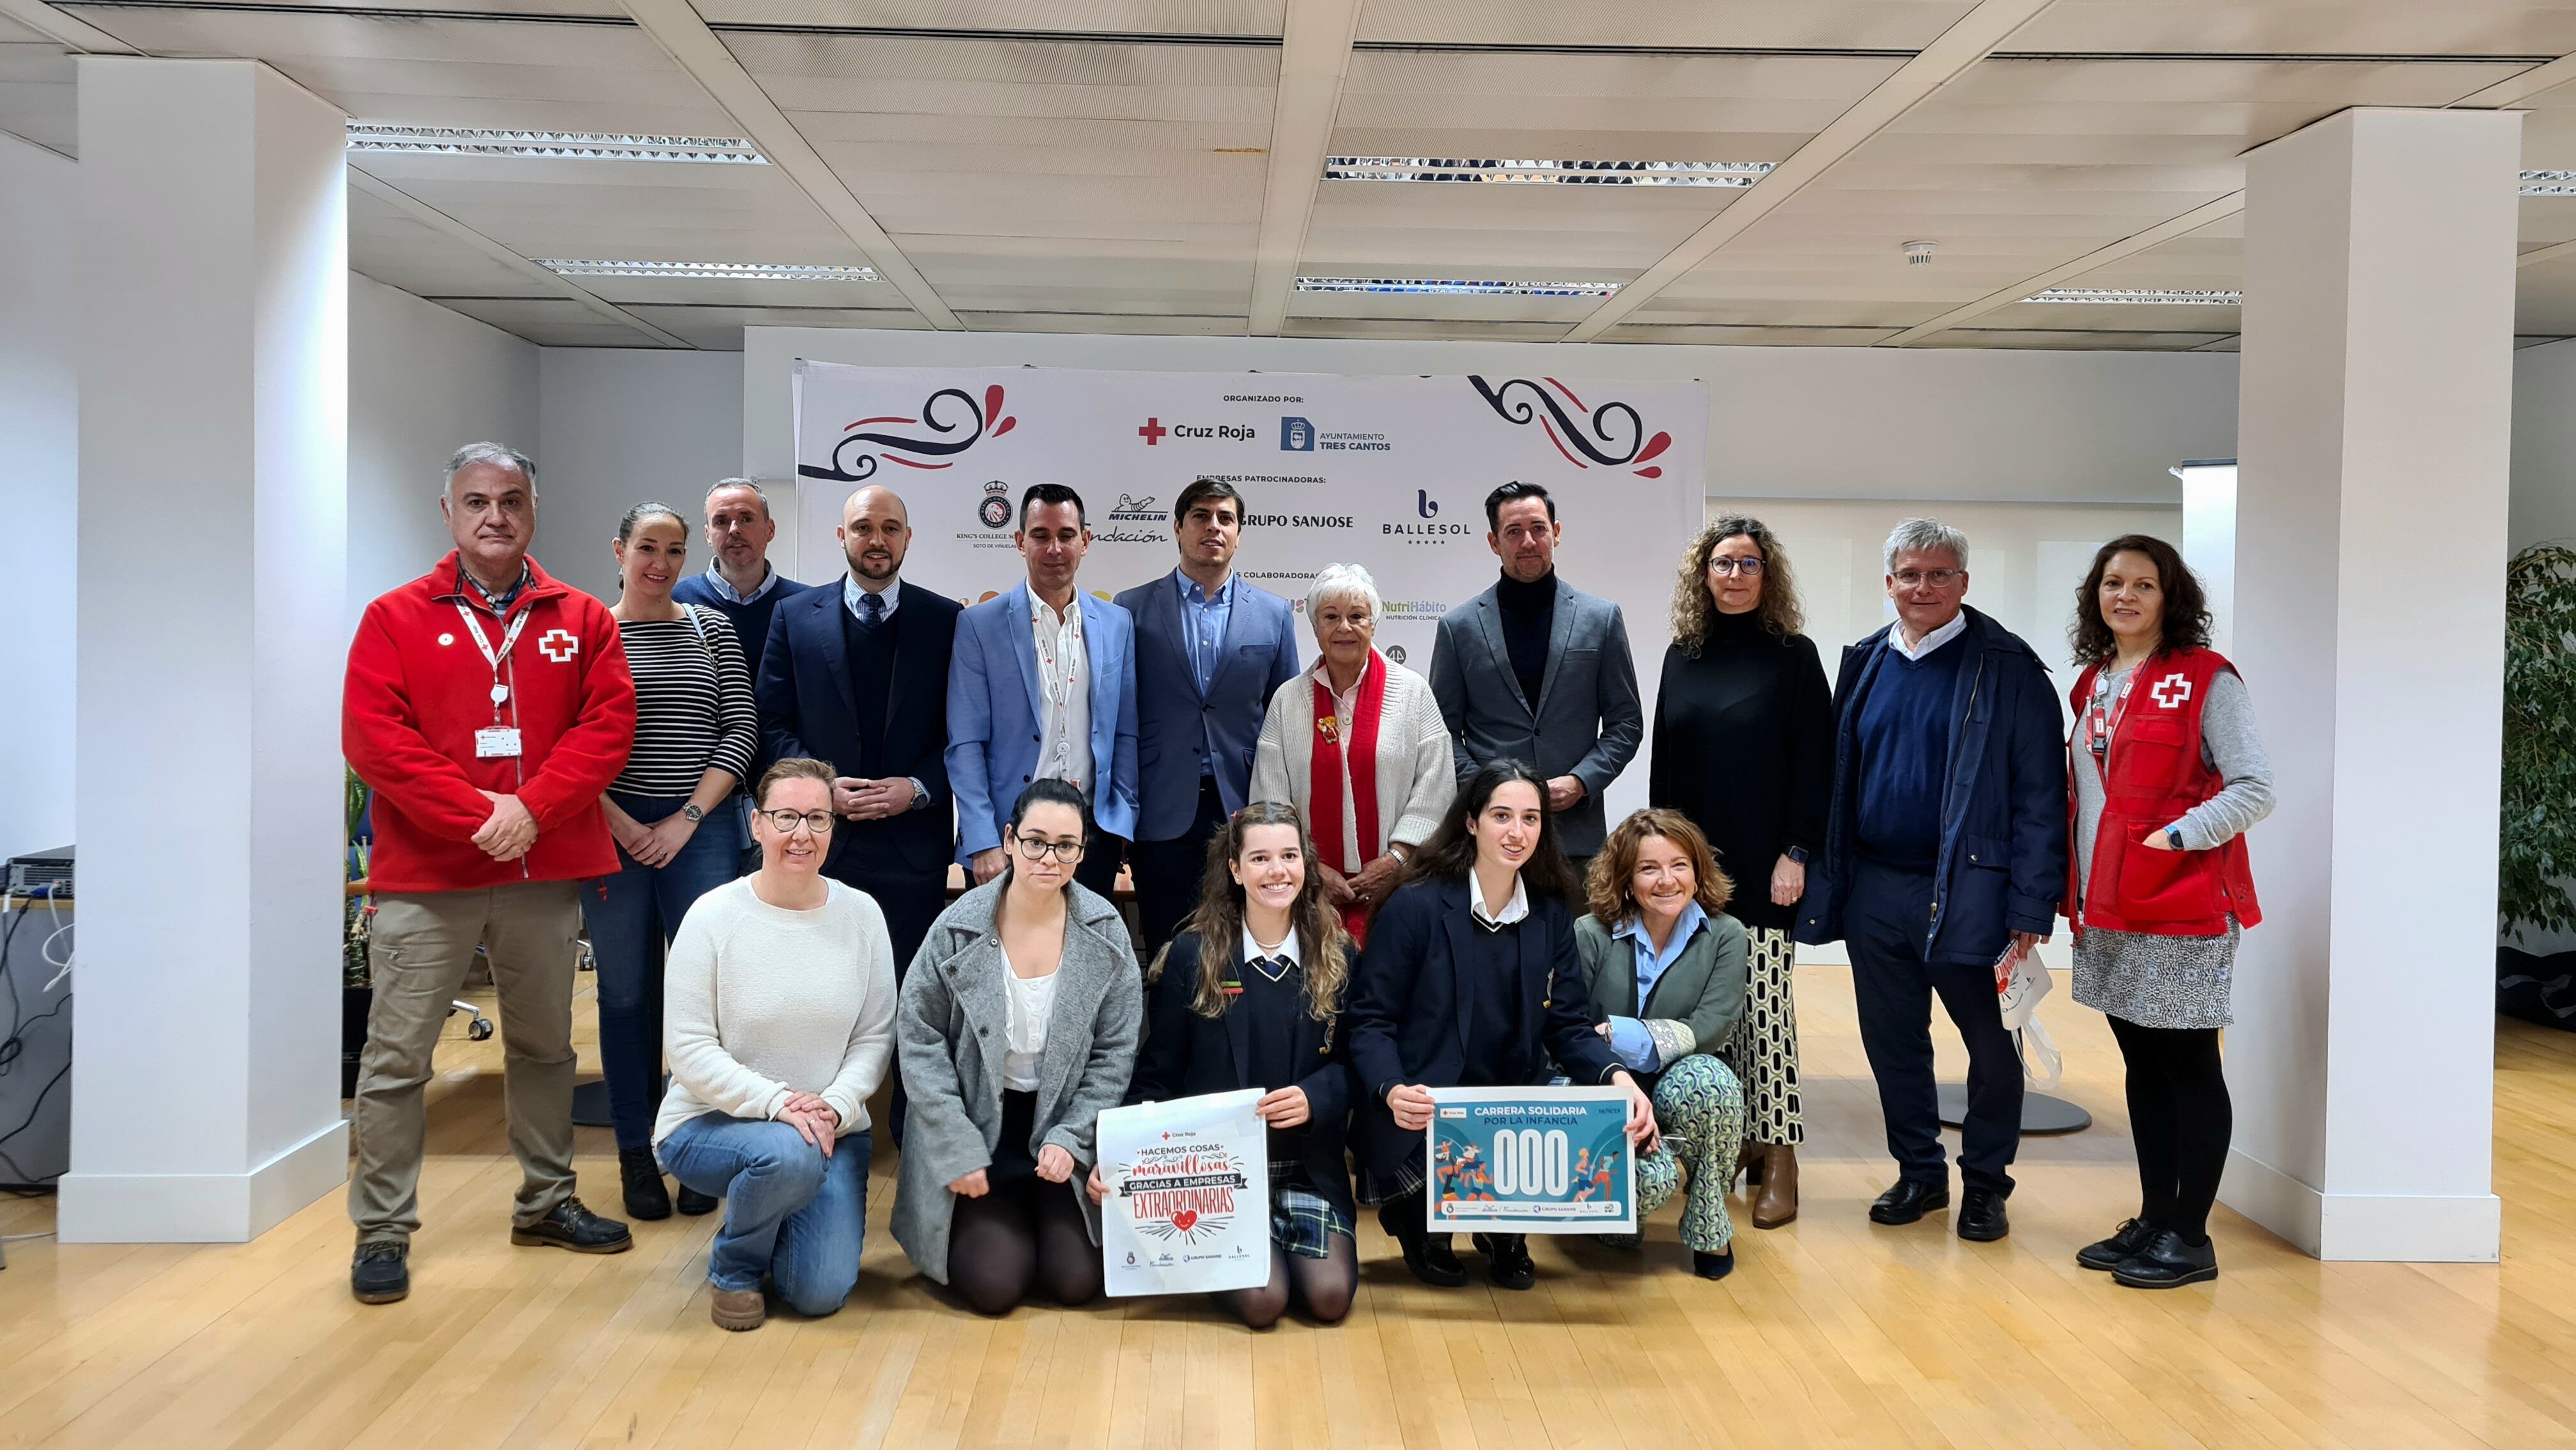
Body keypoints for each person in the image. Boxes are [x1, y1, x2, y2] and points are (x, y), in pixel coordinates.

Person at [341, 442, 638, 1306]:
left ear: (534, 510)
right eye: (477, 501)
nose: (495, 516)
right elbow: (375, 741)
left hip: (542, 874)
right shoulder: (394, 617)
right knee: (397, 1059)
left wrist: (533, 809)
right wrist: (485, 816)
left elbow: (606, 727)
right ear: (450, 513)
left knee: (544, 1046)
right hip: (428, 880)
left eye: (511, 500)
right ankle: (384, 1228)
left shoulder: (580, 617)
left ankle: (545, 1201)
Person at [1794, 518, 2068, 1244]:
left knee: (1990, 1043)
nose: (1923, 587)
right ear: (1889, 583)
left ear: (1964, 584)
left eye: (1939, 574)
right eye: (1909, 575)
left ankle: (1986, 1185)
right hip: (1876, 888)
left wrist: (2032, 901)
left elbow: (2042, 796)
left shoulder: (2009, 668)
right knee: (1893, 1042)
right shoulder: (1865, 660)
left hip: (1974, 889)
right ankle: (1919, 1173)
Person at [1346, 760, 1658, 1292]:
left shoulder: (1551, 911)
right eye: (1502, 816)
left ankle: (1502, 1223)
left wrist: (1619, 1079)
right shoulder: (1414, 904)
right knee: (1428, 1167)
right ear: (1471, 821)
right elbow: (1369, 1021)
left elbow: (1569, 1025)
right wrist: (1392, 1089)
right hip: (1424, 1101)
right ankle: (1414, 1215)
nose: (1518, 833)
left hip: (1506, 1101)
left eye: (1531, 818)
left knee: (1581, 1112)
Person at [2062, 534, 2272, 1290]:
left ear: (2170, 597)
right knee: (2142, 1065)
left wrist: (2173, 837)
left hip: (2182, 903)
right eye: (2113, 583)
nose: (2125, 596)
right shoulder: (2092, 683)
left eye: (2144, 585)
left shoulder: (2208, 679)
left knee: (2187, 1065)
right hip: (2108, 905)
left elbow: (2254, 786)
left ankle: (2192, 1235)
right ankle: (2154, 1217)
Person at [654, 758, 898, 1330]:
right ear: (756, 825)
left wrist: (835, 1106)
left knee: (818, 1293)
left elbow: (873, 1037)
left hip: (831, 1129)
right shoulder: (712, 916)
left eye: (817, 818)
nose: (802, 834)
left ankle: (767, 1204)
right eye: (786, 817)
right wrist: (780, 1104)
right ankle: (735, 1266)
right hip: (712, 1125)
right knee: (787, 1154)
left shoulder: (862, 915)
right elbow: (688, 1049)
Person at [893, 780, 1143, 1315]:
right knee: (995, 1286)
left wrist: (1074, 1137)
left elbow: (1116, 1053)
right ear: (1009, 839)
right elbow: (919, 1037)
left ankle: (1048, 1214)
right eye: (1035, 841)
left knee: (1076, 1282)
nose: (1049, 858)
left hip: (1060, 1134)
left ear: (1081, 851)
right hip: (981, 1129)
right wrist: (956, 1143)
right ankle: (1002, 1221)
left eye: (1066, 845)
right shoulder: (955, 928)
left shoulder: (1107, 931)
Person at [1646, 516, 1833, 1229]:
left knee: (1766, 1013)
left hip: (1764, 865)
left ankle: (1780, 1153)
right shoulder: (1680, 655)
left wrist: (1798, 851)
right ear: (1705, 573)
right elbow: (1666, 763)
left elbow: (1817, 762)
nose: (1734, 575)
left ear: (1767, 574)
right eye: (1722, 563)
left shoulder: (1794, 656)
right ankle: (1737, 1140)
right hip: (1691, 870)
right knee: (1711, 1016)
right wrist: (1659, 863)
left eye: (1748, 563)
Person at [1107, 802, 1359, 1328]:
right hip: (1214, 1174)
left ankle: (1279, 1247)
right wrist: (1117, 1156)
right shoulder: (1192, 955)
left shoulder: (1338, 953)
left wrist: (1317, 1096)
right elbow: (1160, 1072)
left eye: (1289, 855)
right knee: (1265, 1304)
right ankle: (1247, 1252)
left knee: (1329, 1297)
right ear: (1235, 868)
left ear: (1307, 865)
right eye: (1260, 857)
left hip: (1304, 1169)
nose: (1277, 871)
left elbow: (1356, 1063)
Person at [585, 501, 760, 1222]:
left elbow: (741, 728)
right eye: (647, 547)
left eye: (675, 549)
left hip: (703, 831)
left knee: (703, 1002)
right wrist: (626, 824)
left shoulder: (711, 627)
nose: (661, 562)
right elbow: (565, 744)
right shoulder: (588, 631)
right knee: (625, 997)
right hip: (609, 833)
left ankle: (696, 1145)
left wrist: (686, 818)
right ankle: (634, 1151)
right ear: (619, 549)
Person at [758, 485, 960, 1020]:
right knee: (815, 1002)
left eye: (890, 528)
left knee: (911, 1005)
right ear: (842, 535)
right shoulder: (794, 616)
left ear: (908, 538)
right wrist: (822, 793)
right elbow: (772, 724)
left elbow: (961, 733)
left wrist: (916, 790)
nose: (878, 540)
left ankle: (905, 1110)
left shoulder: (945, 620)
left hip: (913, 848)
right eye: (865, 527)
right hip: (820, 841)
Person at [1116, 479, 1301, 962]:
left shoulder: (1275, 613)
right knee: (1166, 952)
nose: (1213, 527)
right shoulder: (1131, 608)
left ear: (1239, 534)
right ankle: (1169, 1041)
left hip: (1243, 808)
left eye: (1226, 518)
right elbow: (1120, 716)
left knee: (1244, 951)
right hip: (1161, 811)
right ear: (1178, 528)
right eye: (1201, 516)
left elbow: (1285, 720)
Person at [1429, 481, 1643, 885]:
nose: (1528, 541)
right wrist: (1489, 793)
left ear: (1556, 533)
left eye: (1538, 529)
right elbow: (1441, 733)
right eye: (1513, 531)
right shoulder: (1458, 628)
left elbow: (1626, 722)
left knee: (1576, 949)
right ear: (1494, 542)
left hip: (1575, 840)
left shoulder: (1601, 619)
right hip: (1489, 842)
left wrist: (1582, 781)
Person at [1573, 810, 1750, 1279]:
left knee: (1713, 1084)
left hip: (1680, 1081)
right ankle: (1623, 1212)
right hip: (1606, 1086)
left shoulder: (1728, 934)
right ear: (1626, 879)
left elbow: (1711, 1027)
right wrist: (1621, 1074)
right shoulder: (1589, 933)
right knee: (1646, 1186)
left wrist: (1615, 1032)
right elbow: (1571, 1028)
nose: (1667, 880)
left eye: (1680, 865)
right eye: (1649, 868)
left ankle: (1710, 1222)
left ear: (1698, 871)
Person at [947, 484, 1140, 900]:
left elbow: (1124, 732)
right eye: (1040, 535)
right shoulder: (979, 625)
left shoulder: (1117, 623)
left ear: (1085, 541)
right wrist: (982, 841)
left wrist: (1121, 821)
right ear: (1020, 541)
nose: (1055, 548)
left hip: (1091, 839)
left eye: (1067, 535)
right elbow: (965, 743)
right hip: (1007, 839)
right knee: (1002, 963)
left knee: (1085, 964)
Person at [1250, 564, 1455, 946]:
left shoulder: (1413, 693)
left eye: (1357, 616)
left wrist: (1395, 861)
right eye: (1331, 617)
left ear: (1374, 624)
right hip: (1305, 892)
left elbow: (1436, 789)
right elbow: (1269, 801)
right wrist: (1311, 868)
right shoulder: (1287, 700)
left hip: (1400, 889)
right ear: (1315, 628)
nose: (1344, 628)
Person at [671, 477, 813, 683]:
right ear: (708, 535)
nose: (734, 530)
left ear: (770, 530)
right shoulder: (676, 601)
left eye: (746, 519)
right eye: (721, 521)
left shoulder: (806, 604)